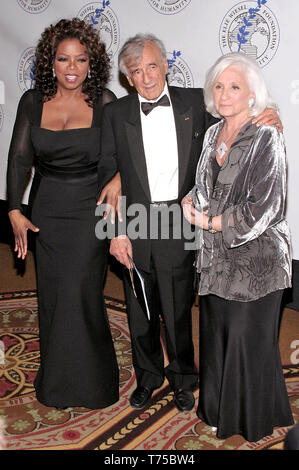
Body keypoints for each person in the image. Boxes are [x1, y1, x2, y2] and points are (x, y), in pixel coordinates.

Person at [97, 34, 281, 413]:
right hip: (135, 218)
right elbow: (105, 174)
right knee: (140, 310)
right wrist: (114, 232)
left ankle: (183, 377)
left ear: (166, 63)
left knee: (178, 308)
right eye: (136, 72)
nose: (146, 78)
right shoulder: (115, 114)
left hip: (180, 218)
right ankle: (147, 376)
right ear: (128, 78)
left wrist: (272, 112)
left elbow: (239, 117)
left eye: (152, 66)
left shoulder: (196, 102)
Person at [7, 18, 120, 409]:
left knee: (81, 292)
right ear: (50, 62)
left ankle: (95, 384)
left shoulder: (104, 102)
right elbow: (19, 158)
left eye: (81, 60)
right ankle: (57, 383)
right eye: (63, 59)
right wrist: (14, 209)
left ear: (92, 63)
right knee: (54, 295)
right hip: (48, 211)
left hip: (90, 211)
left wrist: (120, 178)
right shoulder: (32, 101)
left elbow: (127, 152)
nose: (72, 68)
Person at [182, 52, 294, 441]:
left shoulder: (267, 134)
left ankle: (250, 419)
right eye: (218, 86)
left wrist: (210, 222)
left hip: (257, 260)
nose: (225, 94)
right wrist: (191, 201)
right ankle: (217, 409)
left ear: (251, 94)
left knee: (247, 342)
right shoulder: (214, 133)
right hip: (216, 259)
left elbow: (269, 205)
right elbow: (204, 185)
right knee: (217, 337)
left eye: (234, 86)